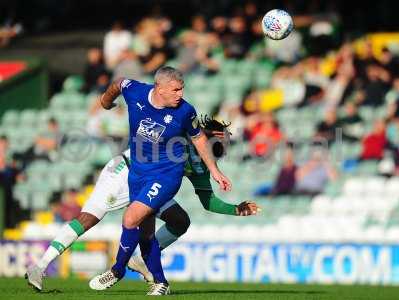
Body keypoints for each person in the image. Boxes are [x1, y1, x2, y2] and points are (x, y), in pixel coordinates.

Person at [25, 121, 258, 292]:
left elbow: (208, 202)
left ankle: (136, 261)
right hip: (126, 171)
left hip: (153, 183)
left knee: (180, 220)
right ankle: (40, 266)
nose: (227, 143)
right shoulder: (183, 136)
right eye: (224, 137)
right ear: (210, 136)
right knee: (90, 218)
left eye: (228, 140)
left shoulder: (202, 167)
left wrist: (236, 209)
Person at [89, 66, 231, 295]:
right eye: (175, 90)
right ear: (159, 88)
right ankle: (161, 282)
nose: (180, 94)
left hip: (166, 175)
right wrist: (106, 102)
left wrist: (214, 170)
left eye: (182, 89)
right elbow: (119, 82)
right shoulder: (135, 91)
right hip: (138, 173)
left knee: (130, 217)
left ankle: (117, 270)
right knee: (146, 232)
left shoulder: (185, 111)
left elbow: (199, 139)